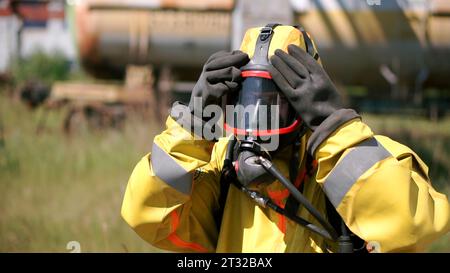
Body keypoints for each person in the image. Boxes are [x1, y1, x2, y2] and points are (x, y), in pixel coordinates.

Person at [121, 25, 449, 253]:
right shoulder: (220, 169)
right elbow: (146, 216)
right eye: (245, 102)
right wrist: (191, 126)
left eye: (272, 102)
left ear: (305, 101)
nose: (256, 121)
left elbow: (409, 229)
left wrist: (334, 127)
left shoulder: (362, 158)